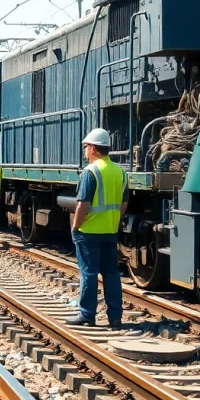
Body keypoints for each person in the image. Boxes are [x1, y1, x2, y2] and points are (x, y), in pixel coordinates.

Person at [66, 128, 129, 328]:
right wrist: (113, 220)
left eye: (86, 147)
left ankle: (87, 314)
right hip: (110, 231)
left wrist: (76, 227)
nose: (85, 151)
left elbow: (82, 204)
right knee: (111, 274)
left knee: (89, 273)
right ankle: (115, 317)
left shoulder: (90, 172)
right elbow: (124, 203)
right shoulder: (120, 172)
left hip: (89, 232)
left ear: (92, 148)